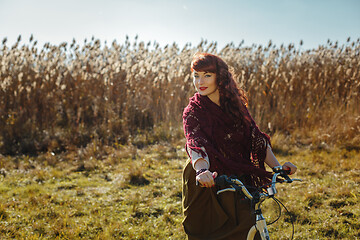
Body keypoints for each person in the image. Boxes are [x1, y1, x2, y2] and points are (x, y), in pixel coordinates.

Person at [182, 52, 297, 240]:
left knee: (249, 229)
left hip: (238, 175)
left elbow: (255, 138)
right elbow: (195, 142)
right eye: (196, 75)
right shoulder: (193, 111)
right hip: (207, 179)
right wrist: (202, 171)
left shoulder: (235, 106)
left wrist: (278, 167)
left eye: (207, 75)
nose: (199, 81)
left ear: (220, 78)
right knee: (206, 234)